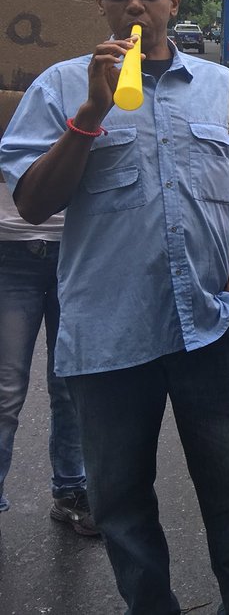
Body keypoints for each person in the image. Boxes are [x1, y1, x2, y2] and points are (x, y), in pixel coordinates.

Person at [0, 0, 229, 615]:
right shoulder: (62, 86)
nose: (135, 7)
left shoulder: (222, 85)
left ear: (172, 4)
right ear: (100, 4)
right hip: (109, 332)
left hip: (211, 327)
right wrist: (90, 116)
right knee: (121, 499)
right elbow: (35, 203)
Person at [0, 180, 96, 538]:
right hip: (6, 246)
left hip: (76, 244)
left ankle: (71, 491)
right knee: (5, 391)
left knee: (70, 384)